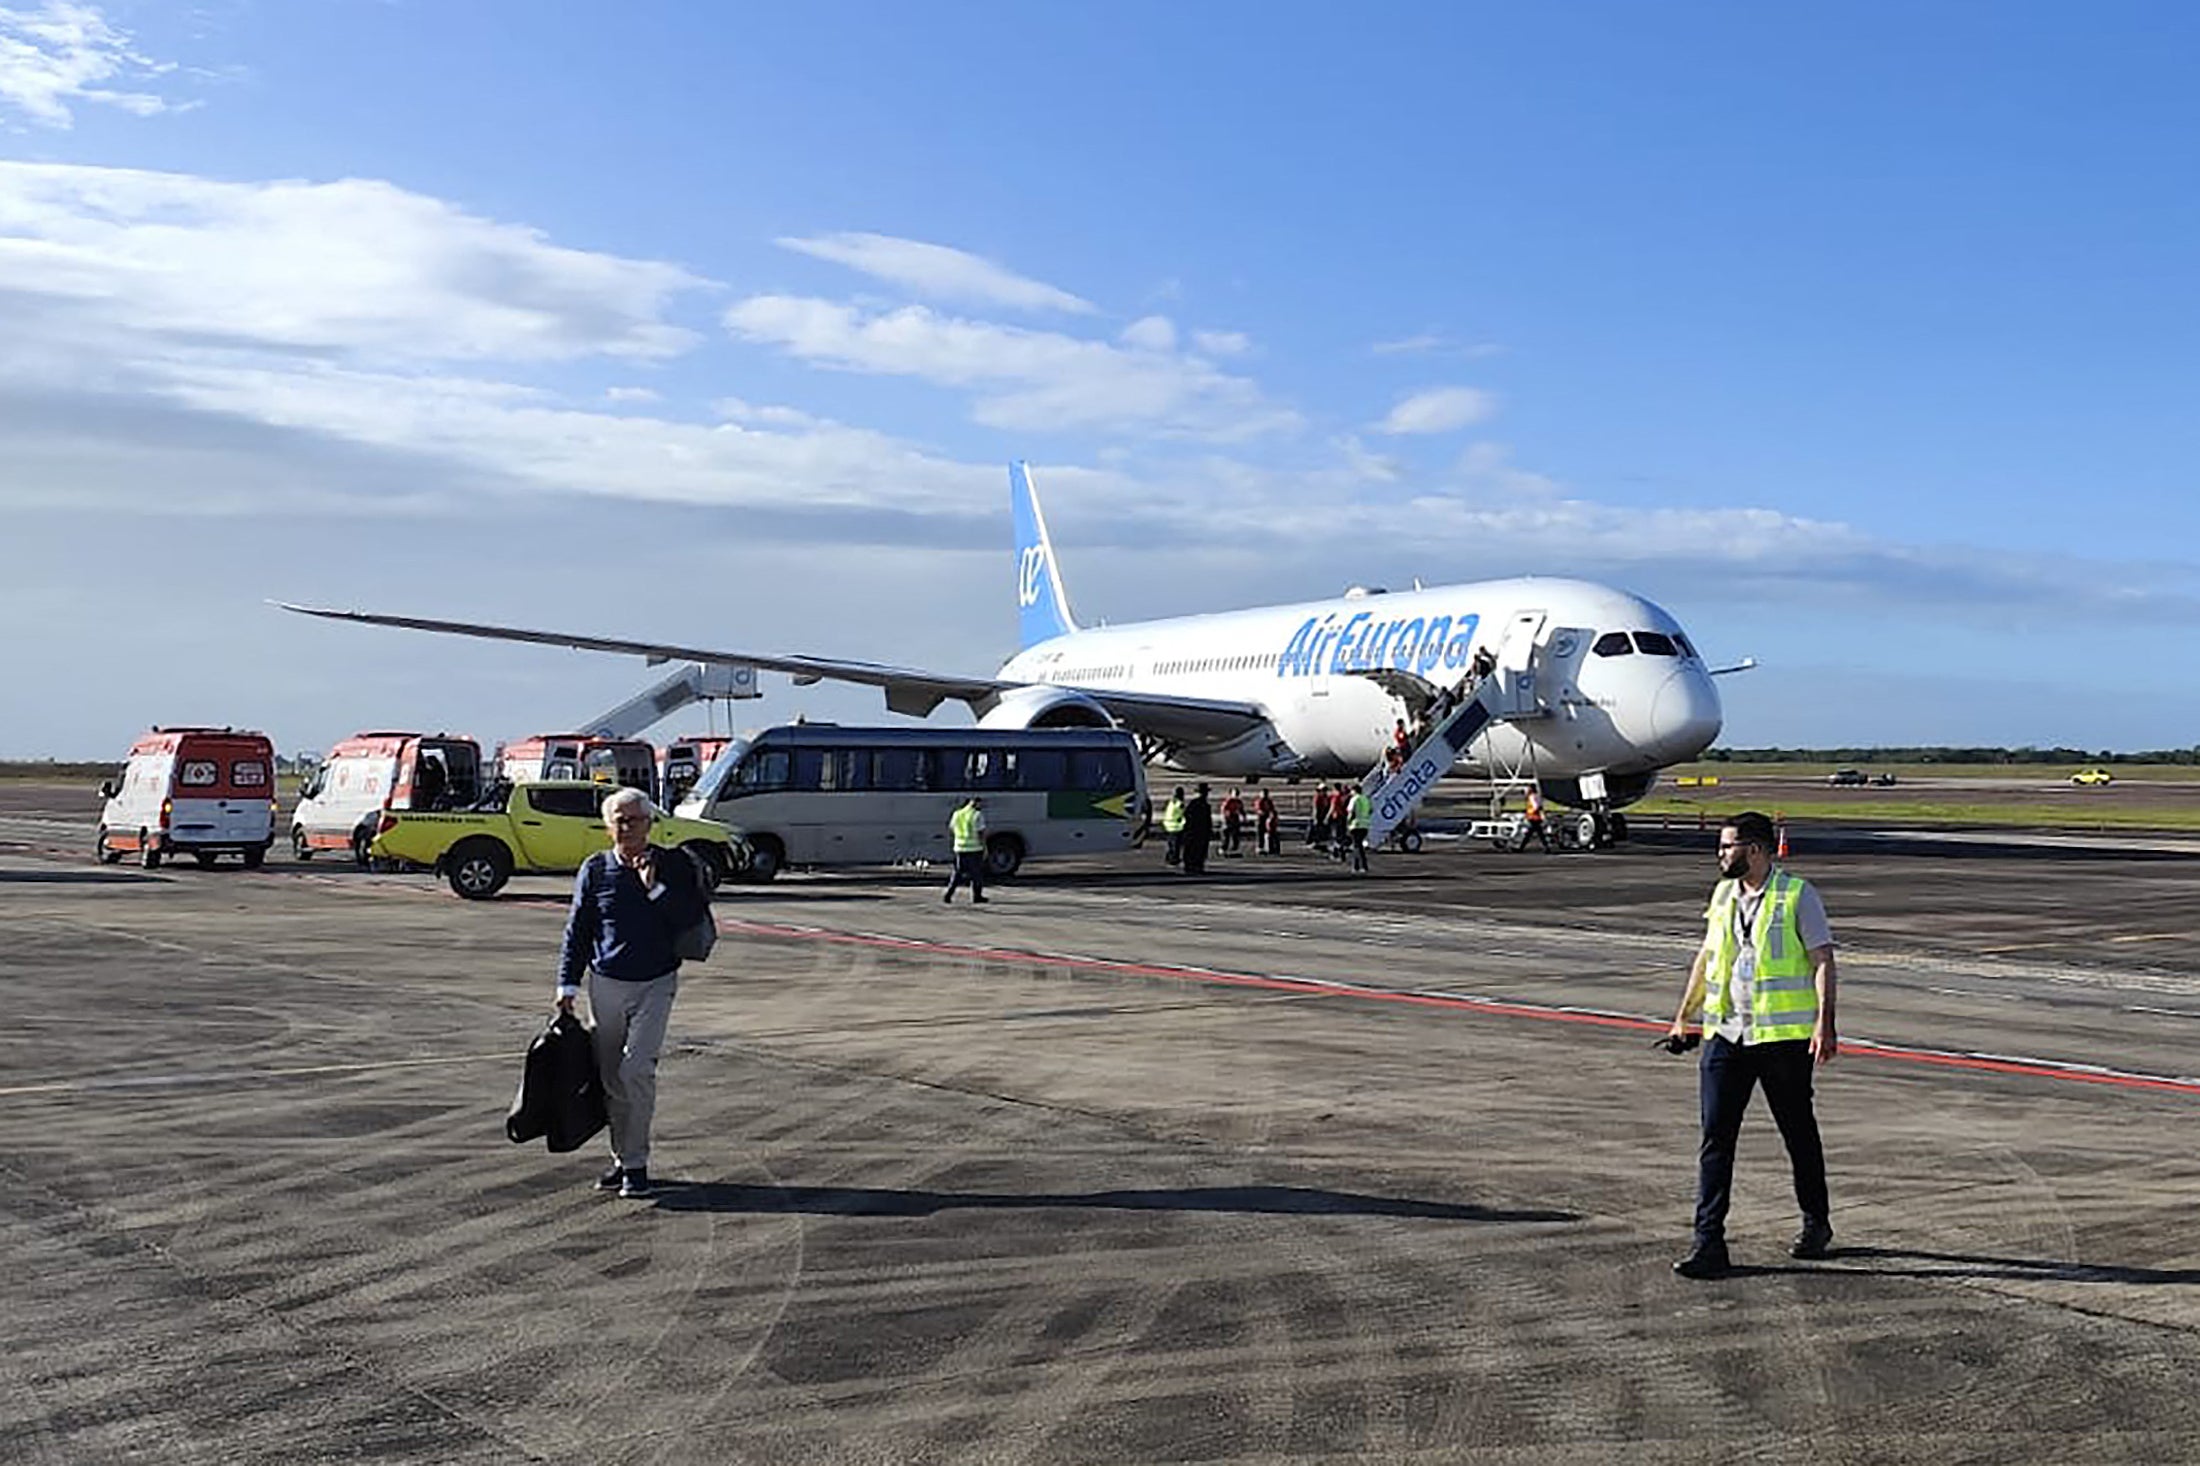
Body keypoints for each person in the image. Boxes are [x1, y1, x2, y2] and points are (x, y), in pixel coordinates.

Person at [1665, 811, 1839, 1279]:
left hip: (1781, 1040)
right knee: (1715, 1140)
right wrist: (1685, 1015)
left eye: (1728, 847)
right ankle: (1709, 1243)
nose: (1720, 855)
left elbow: (1823, 959)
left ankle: (1815, 1221)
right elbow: (1707, 957)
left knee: (1798, 1133)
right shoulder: (1723, 895)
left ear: (1756, 850)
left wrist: (1825, 1024)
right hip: (1725, 1035)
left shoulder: (1797, 896)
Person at [556, 787, 709, 1200]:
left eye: (636, 819)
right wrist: (566, 984)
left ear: (649, 823)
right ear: (608, 827)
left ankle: (637, 1164)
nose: (628, 827)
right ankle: (622, 1158)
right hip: (605, 984)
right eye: (620, 820)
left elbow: (689, 916)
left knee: (636, 1070)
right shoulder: (595, 869)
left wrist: (653, 888)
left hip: (656, 983)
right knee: (611, 1080)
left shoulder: (672, 864)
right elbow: (578, 929)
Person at [943, 795, 989, 904]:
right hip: (974, 848)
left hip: (959, 848)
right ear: (975, 803)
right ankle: (976, 897)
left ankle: (948, 895)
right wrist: (985, 848)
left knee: (957, 874)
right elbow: (980, 833)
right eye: (980, 803)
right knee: (976, 874)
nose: (981, 806)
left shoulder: (957, 814)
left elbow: (952, 828)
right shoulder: (977, 815)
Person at [1181, 783, 1214, 875]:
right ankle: (1194, 865)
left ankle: (1195, 865)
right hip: (1197, 830)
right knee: (1195, 849)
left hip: (1198, 831)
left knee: (1197, 849)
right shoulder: (1199, 805)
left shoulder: (1197, 804)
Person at [1346, 785, 1373, 872]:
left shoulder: (1355, 799)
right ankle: (1356, 866)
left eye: (1351, 791)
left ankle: (1362, 865)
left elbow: (1351, 812)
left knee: (1357, 846)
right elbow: (1370, 810)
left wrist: (1348, 822)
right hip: (1365, 825)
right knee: (1358, 845)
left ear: (1354, 790)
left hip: (1356, 825)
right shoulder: (1366, 799)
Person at [1161, 787, 1188, 865]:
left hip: (1168, 825)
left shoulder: (1171, 802)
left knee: (1170, 843)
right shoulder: (1180, 804)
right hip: (1176, 826)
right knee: (1175, 845)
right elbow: (1183, 814)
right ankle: (1174, 859)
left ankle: (1169, 857)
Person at [1522, 784, 1553, 853]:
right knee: (1536, 833)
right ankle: (1547, 848)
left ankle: (1521, 847)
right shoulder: (1537, 796)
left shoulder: (1532, 797)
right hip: (1536, 817)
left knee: (1532, 833)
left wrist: (1530, 811)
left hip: (1533, 817)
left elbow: (1535, 806)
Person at [1255, 789, 1280, 855]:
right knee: (1260, 832)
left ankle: (1270, 847)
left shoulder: (1269, 801)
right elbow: (1259, 810)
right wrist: (1266, 813)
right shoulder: (1259, 801)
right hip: (1261, 818)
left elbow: (1272, 809)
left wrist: (1272, 815)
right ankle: (1260, 847)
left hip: (1268, 818)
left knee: (1270, 833)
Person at [1221, 788, 1245, 855]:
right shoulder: (1228, 801)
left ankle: (1235, 847)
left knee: (1236, 833)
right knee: (1226, 834)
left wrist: (1243, 816)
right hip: (1228, 818)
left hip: (1235, 818)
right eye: (1235, 793)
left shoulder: (1239, 802)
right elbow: (1224, 810)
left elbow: (1241, 810)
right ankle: (1224, 847)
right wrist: (1225, 818)